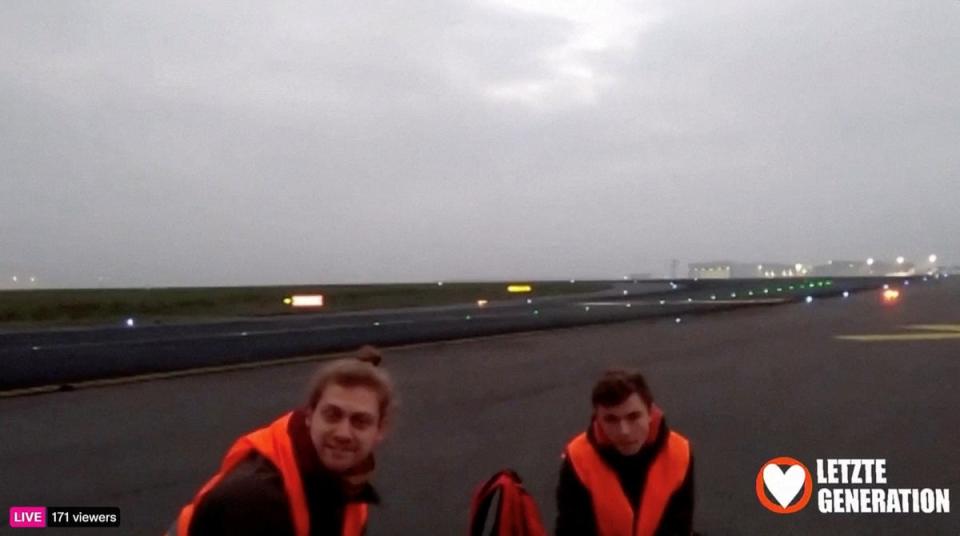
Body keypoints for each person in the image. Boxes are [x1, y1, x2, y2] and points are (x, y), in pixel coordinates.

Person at [166, 347, 393, 536]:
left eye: (360, 421)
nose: (343, 433)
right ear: (309, 416)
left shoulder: (348, 486)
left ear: (379, 430)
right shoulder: (255, 499)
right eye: (332, 415)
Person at [555, 369, 694, 536]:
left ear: (650, 413)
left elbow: (678, 526)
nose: (624, 431)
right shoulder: (578, 457)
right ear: (597, 419)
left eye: (633, 416)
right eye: (611, 419)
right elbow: (571, 529)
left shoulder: (679, 453)